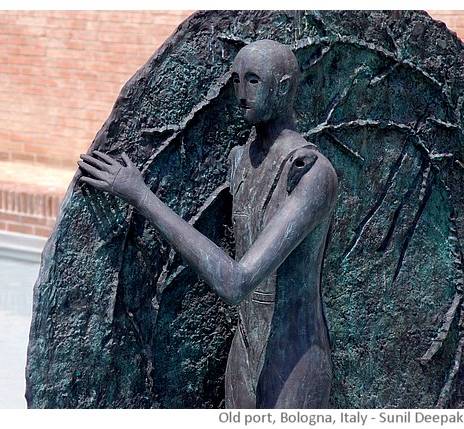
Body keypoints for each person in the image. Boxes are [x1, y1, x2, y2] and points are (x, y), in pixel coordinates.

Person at [78, 40, 338, 409]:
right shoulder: (240, 162)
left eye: (253, 81)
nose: (242, 94)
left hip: (293, 361)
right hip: (244, 353)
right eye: (236, 81)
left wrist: (141, 195)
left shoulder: (312, 175)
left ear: (282, 88)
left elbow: (236, 282)